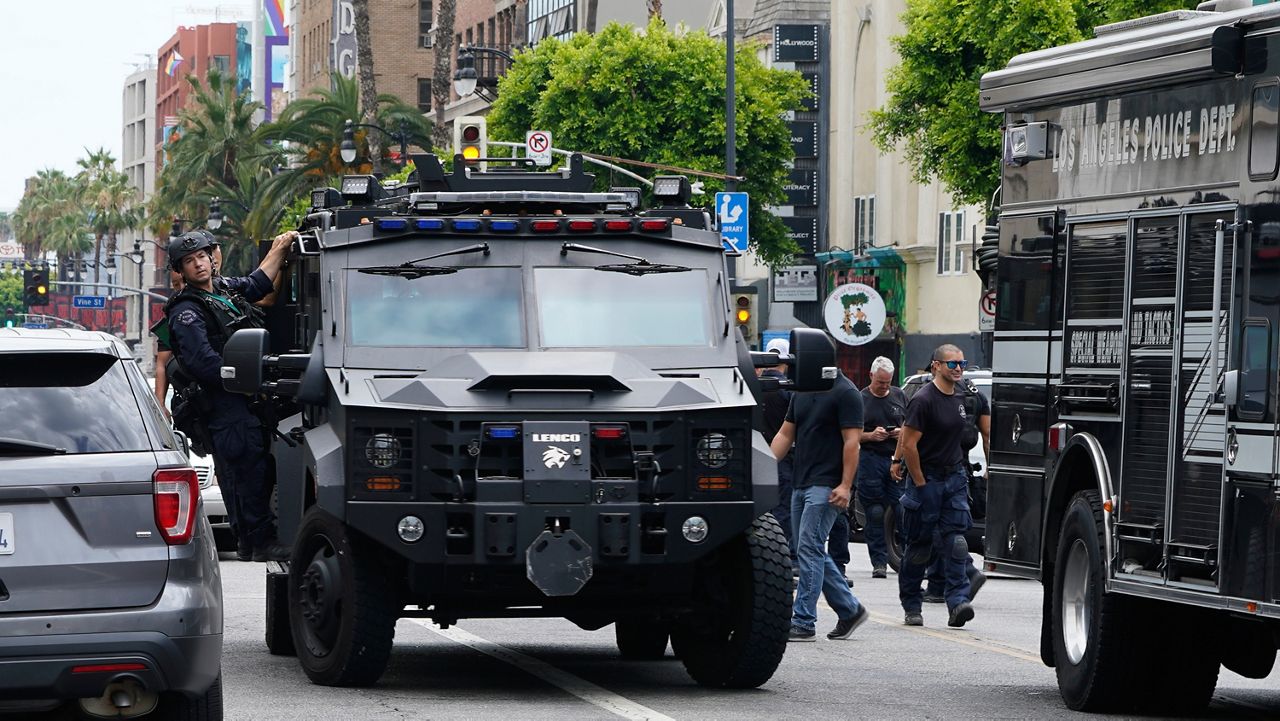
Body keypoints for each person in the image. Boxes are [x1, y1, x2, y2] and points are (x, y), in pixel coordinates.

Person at [166, 228, 297, 562]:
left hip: (244, 398)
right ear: (180, 271)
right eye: (189, 261)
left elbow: (257, 284)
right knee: (244, 472)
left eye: (201, 257)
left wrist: (281, 247)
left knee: (256, 467)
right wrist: (247, 377)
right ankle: (258, 541)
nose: (198, 265)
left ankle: (250, 542)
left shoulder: (223, 289)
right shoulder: (186, 311)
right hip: (224, 403)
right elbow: (203, 363)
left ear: (212, 257)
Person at [770, 369, 869, 641]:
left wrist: (846, 486)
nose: (796, 363)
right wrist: (763, 467)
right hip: (800, 482)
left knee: (809, 547)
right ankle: (850, 609)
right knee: (809, 549)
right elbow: (785, 434)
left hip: (827, 484)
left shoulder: (846, 392)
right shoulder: (801, 391)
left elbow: (853, 442)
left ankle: (803, 621)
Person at [893, 344, 979, 628]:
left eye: (962, 363)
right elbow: (909, 444)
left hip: (953, 477)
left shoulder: (961, 396)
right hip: (925, 478)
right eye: (952, 364)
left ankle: (957, 603)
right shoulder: (923, 399)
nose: (958, 369)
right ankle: (912, 605)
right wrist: (919, 482)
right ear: (936, 366)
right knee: (920, 546)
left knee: (956, 542)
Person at [857, 356, 907, 578]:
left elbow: (910, 426)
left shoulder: (899, 396)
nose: (884, 386)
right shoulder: (860, 399)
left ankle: (907, 557)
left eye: (887, 382)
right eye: (880, 382)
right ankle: (879, 561)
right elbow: (850, 435)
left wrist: (900, 434)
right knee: (875, 513)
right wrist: (870, 436)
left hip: (896, 458)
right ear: (871, 376)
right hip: (870, 459)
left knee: (902, 509)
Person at [757, 337, 794, 550]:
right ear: (786, 362)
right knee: (783, 508)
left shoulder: (753, 388)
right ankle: (781, 552)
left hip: (757, 455)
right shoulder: (788, 392)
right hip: (784, 458)